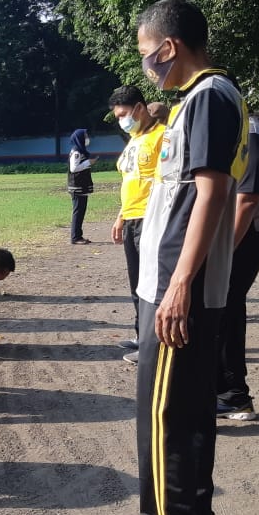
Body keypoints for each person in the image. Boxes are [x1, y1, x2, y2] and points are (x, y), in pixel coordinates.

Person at [106, 0, 247, 515]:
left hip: (174, 284)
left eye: (146, 56)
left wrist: (181, 285)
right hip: (167, 281)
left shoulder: (211, 96)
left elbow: (212, 193)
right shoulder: (201, 100)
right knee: (181, 412)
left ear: (168, 47)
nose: (145, 68)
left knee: (166, 416)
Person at [216, 116, 259, 421]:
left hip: (243, 238)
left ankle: (234, 396)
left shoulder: (252, 136)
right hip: (228, 238)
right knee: (218, 310)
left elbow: (247, 201)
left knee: (226, 312)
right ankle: (222, 392)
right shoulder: (233, 132)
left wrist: (226, 249)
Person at [109, 85, 164, 361]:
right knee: (137, 283)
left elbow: (162, 183)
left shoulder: (161, 136)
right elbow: (131, 180)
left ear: (140, 109)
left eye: (124, 114)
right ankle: (141, 335)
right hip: (131, 218)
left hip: (151, 219)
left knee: (152, 284)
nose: (122, 120)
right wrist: (121, 215)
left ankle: (153, 346)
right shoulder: (134, 139)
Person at [67, 129, 98, 244]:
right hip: (77, 187)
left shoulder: (81, 151)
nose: (87, 138)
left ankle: (78, 236)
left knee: (81, 211)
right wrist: (89, 163)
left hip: (81, 186)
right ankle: (75, 237)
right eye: (85, 136)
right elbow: (73, 169)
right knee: (78, 212)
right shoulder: (76, 152)